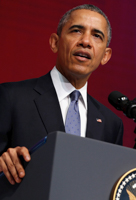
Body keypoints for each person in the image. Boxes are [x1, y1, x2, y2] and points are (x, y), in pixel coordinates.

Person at [0, 4, 123, 185]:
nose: (86, 42)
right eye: (76, 31)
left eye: (96, 36)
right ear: (54, 42)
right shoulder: (11, 97)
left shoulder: (110, 124)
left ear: (105, 55)